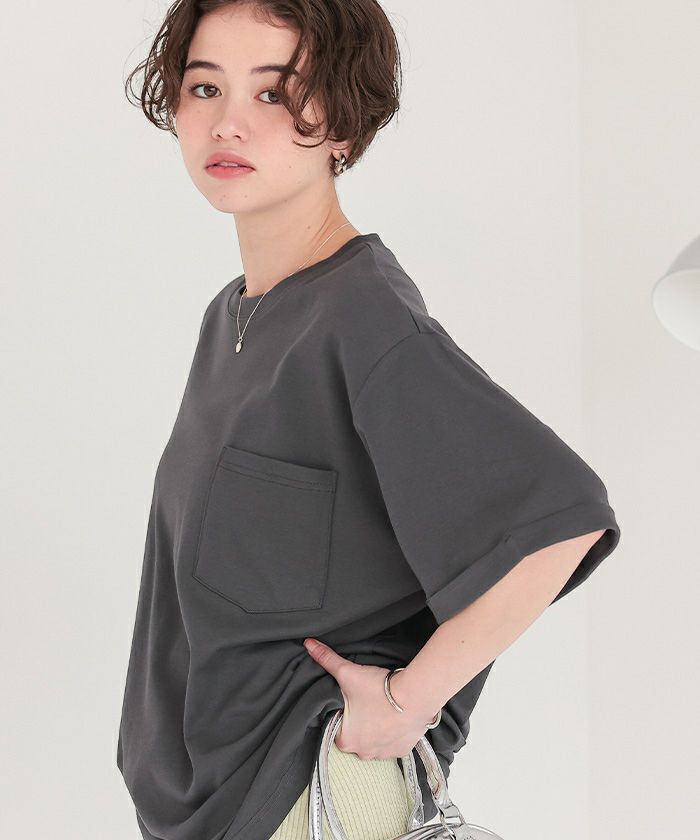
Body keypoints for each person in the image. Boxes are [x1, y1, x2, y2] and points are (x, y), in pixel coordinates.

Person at [116, 3, 622, 840]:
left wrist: (406, 703)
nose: (229, 121)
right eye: (205, 87)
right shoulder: (233, 317)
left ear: (343, 127)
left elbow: (558, 523)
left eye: (274, 94)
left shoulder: (362, 314)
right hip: (212, 804)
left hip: (307, 794)